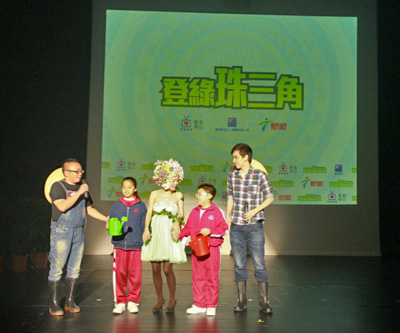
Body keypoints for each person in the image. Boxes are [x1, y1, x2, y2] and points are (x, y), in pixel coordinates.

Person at [48, 158, 108, 316]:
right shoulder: (58, 186)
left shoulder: (83, 188)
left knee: (75, 268)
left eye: (81, 171)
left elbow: (89, 209)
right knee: (57, 267)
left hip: (78, 231)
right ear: (66, 172)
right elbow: (62, 206)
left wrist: (105, 218)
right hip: (62, 230)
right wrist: (79, 192)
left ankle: (70, 301)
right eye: (77, 171)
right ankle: (54, 303)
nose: (80, 174)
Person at [226, 143, 274, 314]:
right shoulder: (232, 176)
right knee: (239, 264)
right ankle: (241, 301)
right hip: (237, 226)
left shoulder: (259, 175)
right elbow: (231, 197)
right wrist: (228, 214)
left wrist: (255, 210)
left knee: (259, 264)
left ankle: (264, 302)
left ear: (246, 157)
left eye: (236, 157)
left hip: (255, 226)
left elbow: (270, 198)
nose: (234, 160)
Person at [141, 158, 187, 313]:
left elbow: (181, 215)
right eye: (173, 180)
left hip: (169, 233)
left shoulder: (178, 195)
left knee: (167, 269)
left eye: (177, 180)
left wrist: (177, 224)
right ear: (164, 179)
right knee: (155, 269)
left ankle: (172, 297)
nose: (175, 183)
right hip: (156, 232)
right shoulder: (154, 194)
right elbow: (149, 213)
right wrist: (146, 229)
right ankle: (160, 297)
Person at [180, 184, 229, 316]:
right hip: (197, 250)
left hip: (212, 249)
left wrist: (211, 231)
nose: (197, 196)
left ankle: (211, 305)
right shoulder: (195, 211)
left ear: (209, 196)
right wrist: (178, 234)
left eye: (200, 194)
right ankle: (199, 304)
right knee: (197, 277)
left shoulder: (217, 212)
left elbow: (224, 228)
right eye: (197, 194)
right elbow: (188, 228)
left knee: (212, 277)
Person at [109, 177, 147, 314]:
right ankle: (120, 302)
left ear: (135, 189)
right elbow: (111, 222)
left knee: (135, 275)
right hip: (119, 245)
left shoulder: (141, 206)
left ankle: (133, 301)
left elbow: (144, 226)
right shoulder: (116, 205)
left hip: (135, 245)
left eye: (129, 187)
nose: (126, 190)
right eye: (124, 187)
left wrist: (144, 240)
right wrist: (109, 226)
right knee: (120, 274)